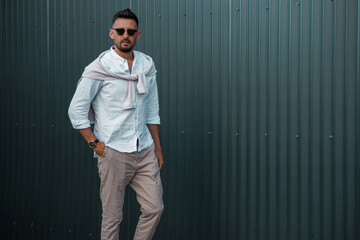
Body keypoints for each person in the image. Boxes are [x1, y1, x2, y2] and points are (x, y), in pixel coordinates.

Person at [68, 8, 164, 240]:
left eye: (130, 32)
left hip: (144, 150)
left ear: (138, 35)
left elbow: (152, 110)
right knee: (112, 217)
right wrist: (96, 145)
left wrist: (158, 150)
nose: (125, 35)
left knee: (154, 208)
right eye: (120, 31)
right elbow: (76, 110)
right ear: (111, 33)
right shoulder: (99, 68)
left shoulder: (146, 66)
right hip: (113, 151)